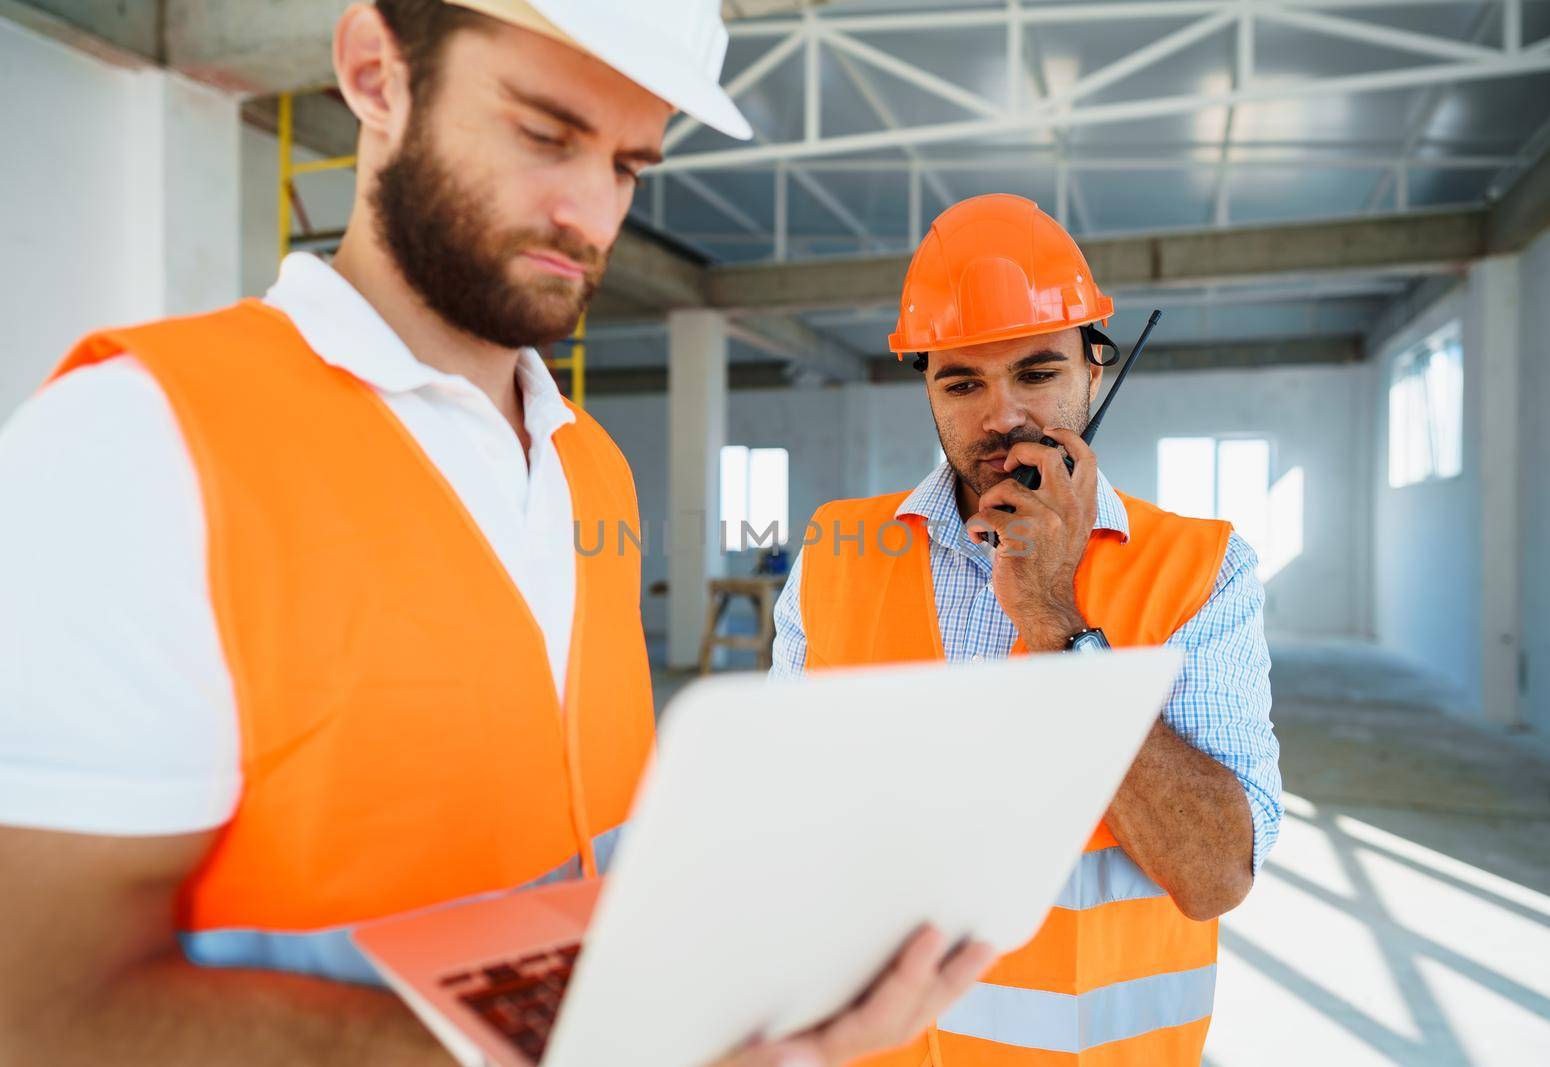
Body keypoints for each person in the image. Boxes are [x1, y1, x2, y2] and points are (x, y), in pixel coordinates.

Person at [0, 3, 992, 1064]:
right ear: (378, 74)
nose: (591, 214)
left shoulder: (587, 466)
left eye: (629, 165)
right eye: (544, 134)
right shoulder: (135, 443)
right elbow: (40, 1012)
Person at [770, 193, 1283, 1066]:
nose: (1000, 415)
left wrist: (1054, 621)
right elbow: (782, 827)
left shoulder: (1203, 569)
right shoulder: (833, 553)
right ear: (927, 388)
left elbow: (1214, 875)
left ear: (1095, 369)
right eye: (961, 381)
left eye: (1037, 373)